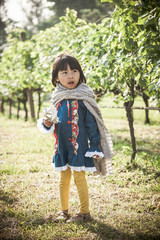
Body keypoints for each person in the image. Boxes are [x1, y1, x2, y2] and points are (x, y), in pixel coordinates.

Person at [37, 53, 113, 222]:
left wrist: (94, 145)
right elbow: (50, 123)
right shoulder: (57, 100)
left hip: (79, 149)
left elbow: (92, 125)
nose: (70, 75)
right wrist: (47, 123)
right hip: (62, 148)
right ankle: (63, 211)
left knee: (79, 179)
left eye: (74, 71)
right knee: (63, 180)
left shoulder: (83, 99)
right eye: (64, 72)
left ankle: (84, 213)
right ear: (56, 77)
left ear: (80, 74)